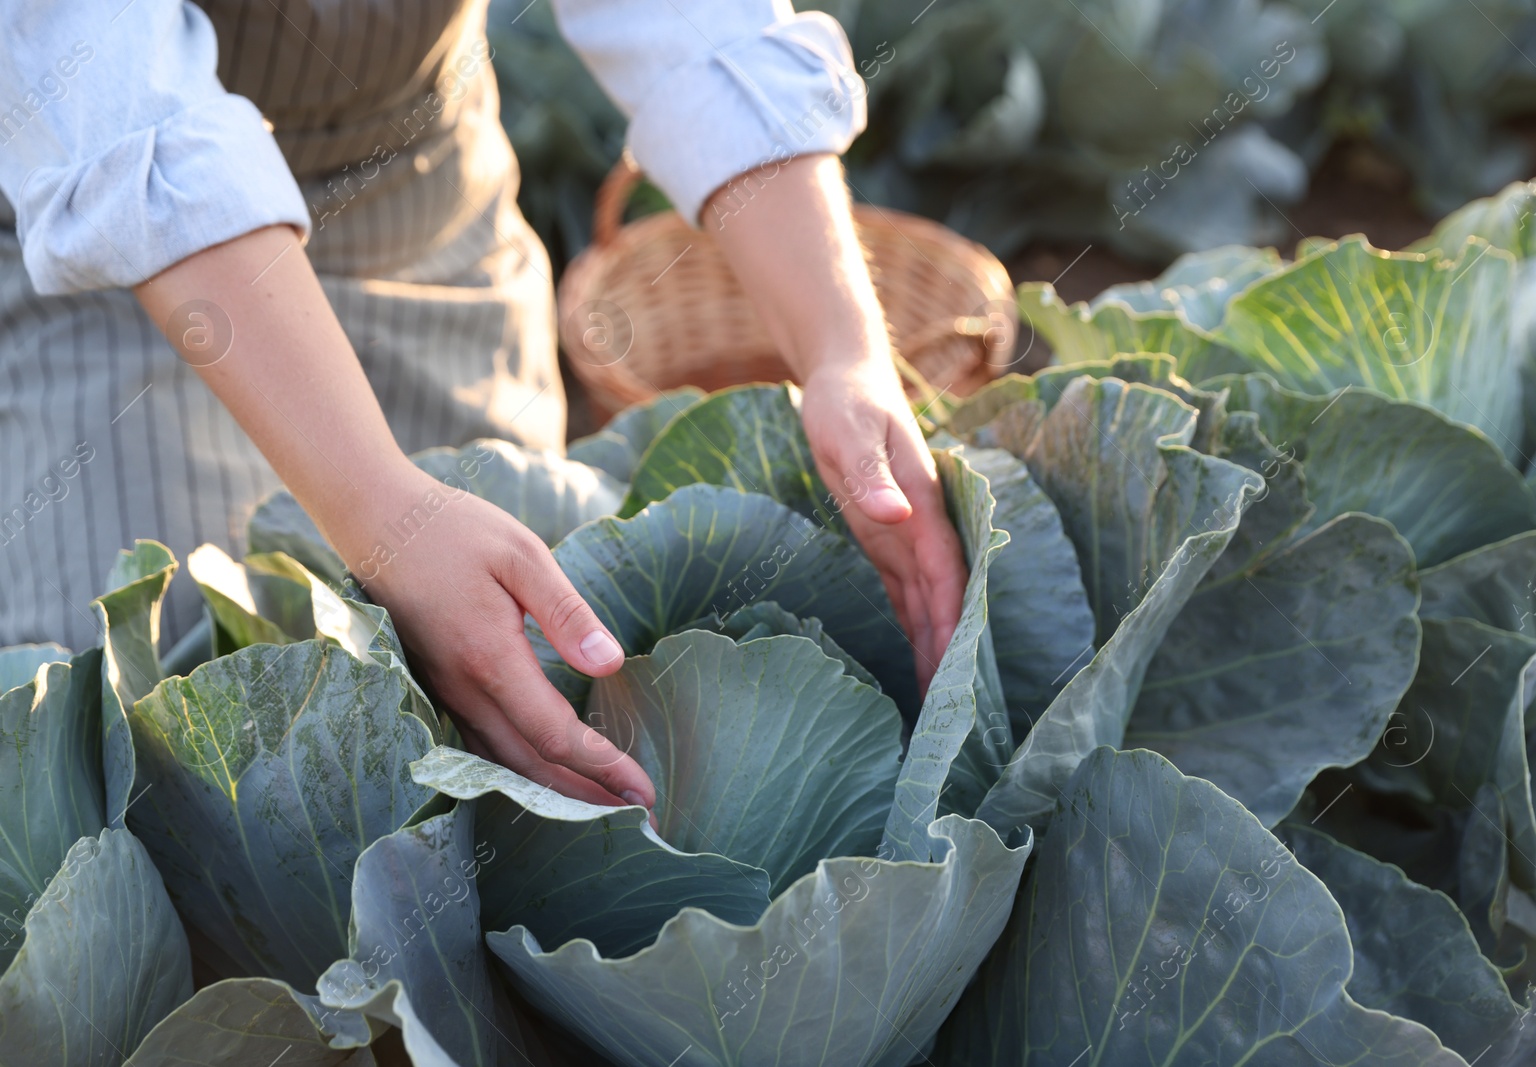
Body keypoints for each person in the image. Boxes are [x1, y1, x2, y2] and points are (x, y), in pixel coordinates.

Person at [0, 0, 967, 810]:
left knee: (526, 684)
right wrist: (385, 509)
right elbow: (123, 121)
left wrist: (843, 347)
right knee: (158, 756)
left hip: (414, 184)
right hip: (107, 251)